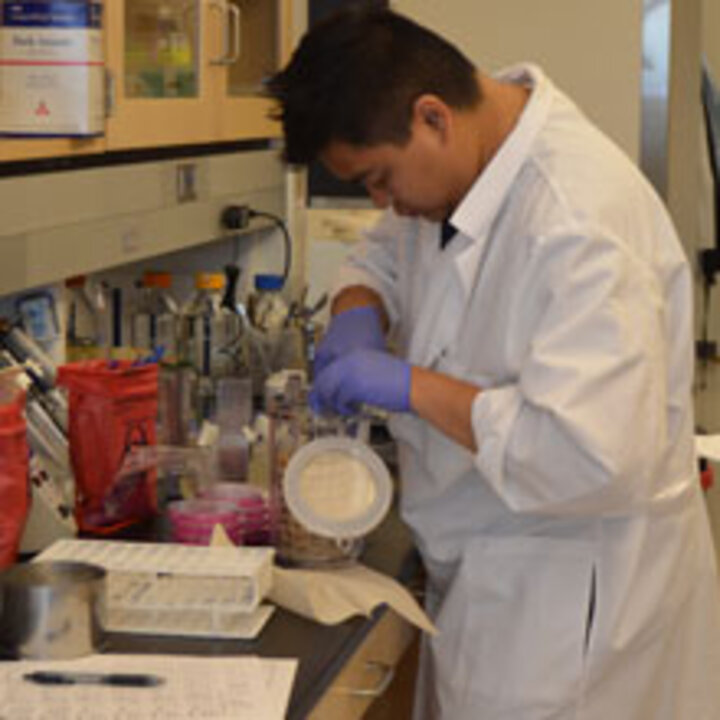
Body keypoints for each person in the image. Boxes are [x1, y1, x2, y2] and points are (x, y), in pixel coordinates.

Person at [268, 8, 720, 720]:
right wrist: (358, 309)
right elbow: (383, 255)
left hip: (572, 604)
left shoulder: (578, 225)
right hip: (495, 570)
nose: (384, 204)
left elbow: (588, 453)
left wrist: (409, 386)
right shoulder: (470, 165)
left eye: (381, 179)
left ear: (432, 117)